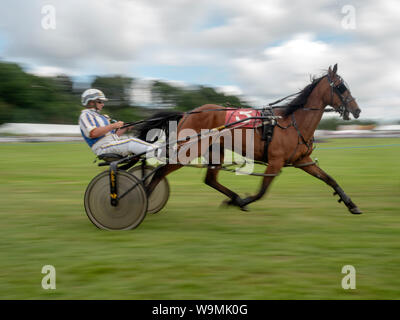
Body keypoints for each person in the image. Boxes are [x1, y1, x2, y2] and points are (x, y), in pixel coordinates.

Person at [79, 88, 161, 158]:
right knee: (131, 142)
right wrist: (113, 125)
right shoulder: (85, 115)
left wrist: (126, 127)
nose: (103, 104)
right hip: (102, 148)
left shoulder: (102, 117)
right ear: (91, 102)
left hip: (111, 144)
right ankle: (161, 152)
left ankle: (157, 151)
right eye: (100, 102)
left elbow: (113, 135)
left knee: (134, 141)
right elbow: (93, 133)